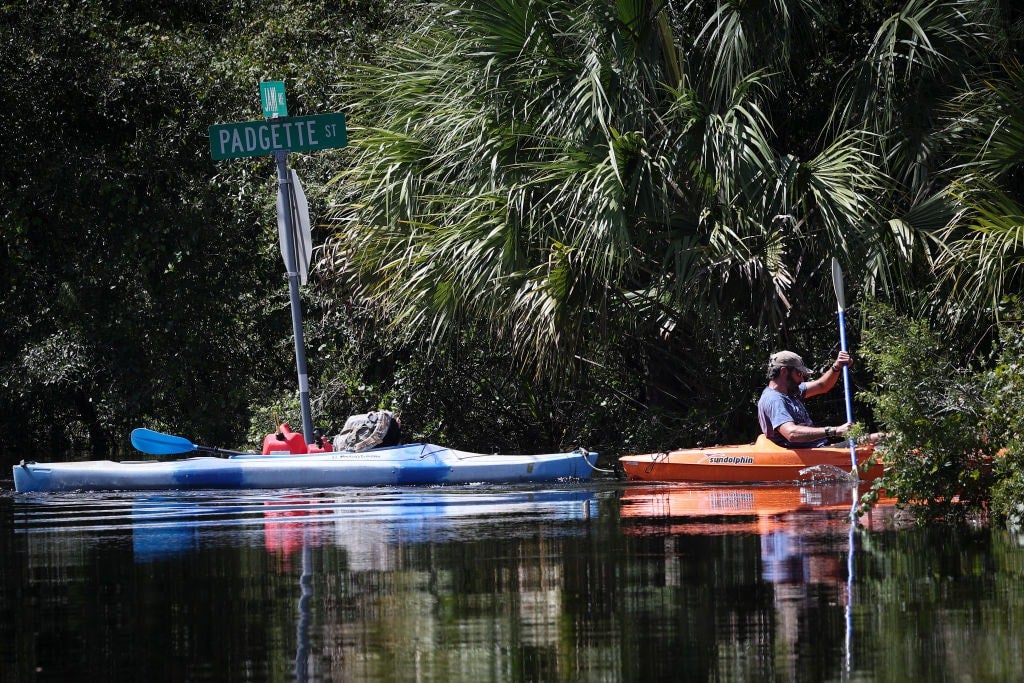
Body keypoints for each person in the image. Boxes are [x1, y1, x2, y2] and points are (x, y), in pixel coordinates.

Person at [757, 350, 853, 448]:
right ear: (784, 371)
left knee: (869, 440)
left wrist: (837, 367)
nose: (802, 380)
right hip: (809, 457)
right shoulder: (774, 400)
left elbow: (822, 386)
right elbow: (791, 433)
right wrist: (835, 431)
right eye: (799, 374)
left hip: (819, 450)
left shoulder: (791, 391)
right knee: (868, 442)